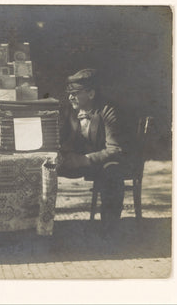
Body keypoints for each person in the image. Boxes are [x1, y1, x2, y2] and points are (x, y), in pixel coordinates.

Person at [58, 68, 125, 234]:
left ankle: (110, 231)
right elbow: (59, 139)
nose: (70, 97)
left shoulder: (108, 111)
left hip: (101, 162)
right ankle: (39, 227)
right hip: (75, 159)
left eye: (75, 93)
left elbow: (115, 149)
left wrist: (85, 159)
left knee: (113, 172)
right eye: (69, 93)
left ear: (91, 94)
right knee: (42, 166)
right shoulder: (70, 110)